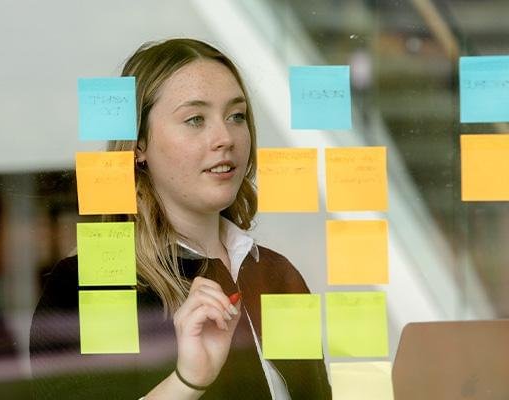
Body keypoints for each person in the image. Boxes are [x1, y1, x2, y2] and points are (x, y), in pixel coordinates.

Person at [30, 38, 332, 399]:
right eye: (195, 119)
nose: (225, 138)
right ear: (139, 144)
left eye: (236, 116)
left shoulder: (276, 274)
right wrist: (187, 381)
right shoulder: (92, 283)